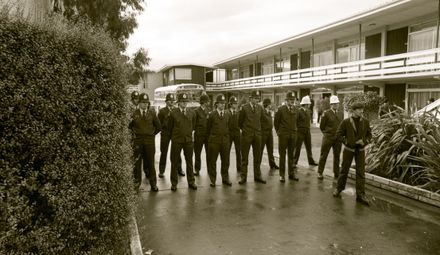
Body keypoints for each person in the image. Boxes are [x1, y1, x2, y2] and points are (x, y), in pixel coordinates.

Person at [333, 102, 372, 206]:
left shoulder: (365, 122)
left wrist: (364, 141)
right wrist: (347, 142)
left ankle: (360, 195)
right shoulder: (346, 122)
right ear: (353, 111)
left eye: (362, 109)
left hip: (360, 151)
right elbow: (338, 135)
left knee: (361, 173)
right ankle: (339, 189)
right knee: (344, 170)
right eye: (359, 109)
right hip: (348, 150)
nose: (361, 111)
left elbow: (369, 135)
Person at [129, 93, 161, 192]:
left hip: (149, 142)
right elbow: (129, 127)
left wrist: (151, 135)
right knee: (137, 164)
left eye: (146, 103)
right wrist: (135, 136)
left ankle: (153, 184)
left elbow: (158, 127)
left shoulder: (152, 113)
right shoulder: (134, 113)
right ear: (139, 103)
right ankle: (136, 184)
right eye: (143, 102)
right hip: (138, 142)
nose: (145, 104)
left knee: (151, 163)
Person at [169, 93, 197, 191]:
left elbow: (193, 125)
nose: (184, 103)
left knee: (189, 162)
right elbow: (170, 127)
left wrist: (188, 134)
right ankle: (174, 183)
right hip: (177, 141)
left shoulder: (192, 113)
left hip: (188, 141)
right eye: (182, 101)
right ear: (178, 103)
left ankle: (191, 181)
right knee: (174, 162)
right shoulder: (173, 113)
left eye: (186, 101)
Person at [238, 90, 266, 184]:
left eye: (258, 98)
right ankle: (243, 177)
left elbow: (262, 120)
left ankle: (257, 176)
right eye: (255, 98)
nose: (257, 100)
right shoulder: (244, 108)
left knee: (257, 157)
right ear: (251, 99)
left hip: (257, 136)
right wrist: (246, 130)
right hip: (246, 136)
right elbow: (240, 122)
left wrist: (258, 131)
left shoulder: (260, 108)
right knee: (244, 158)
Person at [207, 94, 232, 187]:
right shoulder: (212, 115)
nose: (222, 105)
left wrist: (227, 139)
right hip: (214, 142)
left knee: (225, 161)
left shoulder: (227, 114)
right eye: (221, 103)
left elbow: (228, 126)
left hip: (225, 141)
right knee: (212, 161)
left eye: (224, 103)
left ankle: (225, 178)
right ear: (216, 104)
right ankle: (213, 180)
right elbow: (208, 129)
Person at [274, 91, 299, 182]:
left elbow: (297, 122)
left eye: (293, 99)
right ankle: (282, 175)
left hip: (292, 135)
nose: (292, 101)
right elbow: (276, 123)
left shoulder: (296, 109)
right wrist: (279, 132)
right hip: (283, 135)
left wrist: (295, 132)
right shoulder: (281, 109)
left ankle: (291, 174)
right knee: (282, 155)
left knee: (291, 155)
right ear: (286, 100)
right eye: (290, 99)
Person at [158, 94, 184, 178]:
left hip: (174, 134)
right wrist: (163, 130)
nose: (171, 102)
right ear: (166, 102)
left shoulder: (177, 110)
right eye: (170, 100)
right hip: (165, 134)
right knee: (164, 152)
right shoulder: (162, 111)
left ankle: (179, 169)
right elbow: (159, 124)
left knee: (177, 153)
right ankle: (161, 171)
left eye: (173, 100)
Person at [317, 95, 342, 180]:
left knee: (337, 156)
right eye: (334, 104)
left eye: (337, 104)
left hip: (337, 139)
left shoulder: (340, 113)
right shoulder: (326, 113)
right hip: (328, 138)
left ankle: (336, 173)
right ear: (331, 104)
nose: (336, 105)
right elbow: (322, 126)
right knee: (324, 155)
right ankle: (320, 172)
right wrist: (327, 134)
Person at [294, 95, 318, 166]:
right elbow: (295, 121)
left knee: (309, 147)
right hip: (300, 132)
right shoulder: (298, 111)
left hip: (307, 131)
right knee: (297, 148)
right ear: (305, 104)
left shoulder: (308, 111)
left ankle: (311, 161)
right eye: (308, 104)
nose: (309, 105)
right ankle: (294, 162)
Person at [193, 93, 210, 176]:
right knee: (197, 153)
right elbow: (193, 124)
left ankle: (209, 169)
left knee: (209, 153)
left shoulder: (208, 111)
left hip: (207, 136)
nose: (208, 103)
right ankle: (197, 169)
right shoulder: (196, 111)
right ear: (203, 102)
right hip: (199, 135)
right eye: (207, 101)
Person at [261, 98, 279, 170]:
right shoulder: (262, 112)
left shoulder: (269, 112)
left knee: (270, 149)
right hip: (263, 133)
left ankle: (272, 164)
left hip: (269, 133)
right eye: (270, 104)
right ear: (267, 105)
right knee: (260, 150)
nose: (271, 105)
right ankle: (257, 165)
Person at [228, 96, 241, 173]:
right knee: (227, 151)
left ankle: (239, 167)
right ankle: (226, 167)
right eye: (234, 103)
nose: (235, 105)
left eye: (236, 103)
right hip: (229, 133)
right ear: (230, 104)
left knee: (238, 151)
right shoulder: (227, 112)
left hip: (237, 133)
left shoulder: (238, 113)